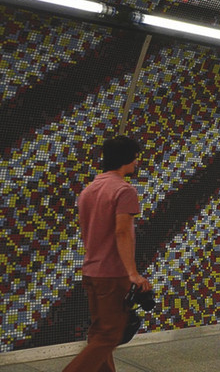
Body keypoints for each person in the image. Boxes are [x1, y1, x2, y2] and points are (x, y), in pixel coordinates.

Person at [64, 136, 151, 372]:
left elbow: (88, 233)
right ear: (127, 158)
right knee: (108, 336)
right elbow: (122, 232)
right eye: (135, 157)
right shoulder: (124, 190)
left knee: (100, 333)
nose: (136, 163)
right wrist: (132, 273)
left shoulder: (89, 190)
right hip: (112, 275)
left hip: (91, 272)